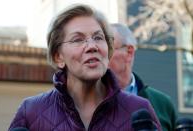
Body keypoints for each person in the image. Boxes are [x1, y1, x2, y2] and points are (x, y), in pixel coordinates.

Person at [9, 4, 161, 131]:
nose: (92, 46)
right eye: (78, 39)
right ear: (58, 57)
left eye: (98, 37)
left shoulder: (140, 109)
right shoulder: (31, 112)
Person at [109, 23, 177, 131]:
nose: (100, 56)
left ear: (129, 52)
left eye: (108, 49)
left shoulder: (162, 104)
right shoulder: (87, 102)